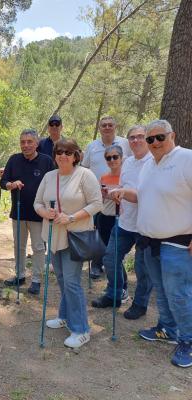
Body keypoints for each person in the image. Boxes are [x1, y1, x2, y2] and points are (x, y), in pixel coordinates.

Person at [112, 119, 192, 368]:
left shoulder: (186, 159)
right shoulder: (149, 165)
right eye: (150, 139)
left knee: (179, 294)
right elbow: (143, 196)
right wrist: (124, 192)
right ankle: (167, 329)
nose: (154, 143)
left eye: (160, 137)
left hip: (177, 243)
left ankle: (188, 341)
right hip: (149, 241)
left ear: (173, 135)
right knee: (162, 291)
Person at [34, 139, 102, 348]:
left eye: (68, 152)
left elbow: (97, 203)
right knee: (62, 279)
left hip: (75, 236)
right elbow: (37, 203)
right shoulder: (49, 176)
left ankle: (81, 329)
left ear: (75, 156)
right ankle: (64, 316)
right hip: (53, 235)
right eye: (59, 152)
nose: (63, 155)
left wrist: (71, 217)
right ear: (54, 155)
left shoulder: (84, 175)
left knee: (72, 283)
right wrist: (46, 212)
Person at [92, 126, 153, 318]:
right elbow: (125, 187)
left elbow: (146, 194)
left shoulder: (153, 161)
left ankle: (140, 304)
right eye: (132, 138)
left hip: (146, 224)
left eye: (140, 137)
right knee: (110, 258)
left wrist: (124, 192)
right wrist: (117, 193)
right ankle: (114, 294)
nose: (136, 141)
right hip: (125, 221)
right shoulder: (127, 163)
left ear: (147, 139)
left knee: (142, 268)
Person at [0, 129, 55, 295]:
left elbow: (53, 183)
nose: (26, 145)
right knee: (19, 246)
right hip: (18, 211)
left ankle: (36, 279)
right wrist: (10, 184)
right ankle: (20, 275)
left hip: (39, 213)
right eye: (23, 142)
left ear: (36, 143)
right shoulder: (14, 160)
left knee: (38, 247)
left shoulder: (46, 161)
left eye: (29, 142)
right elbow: (3, 182)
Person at [82, 116, 132, 279]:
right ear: (100, 127)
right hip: (97, 197)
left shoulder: (125, 143)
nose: (107, 127)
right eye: (104, 125)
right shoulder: (92, 146)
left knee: (116, 241)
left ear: (115, 126)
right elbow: (85, 168)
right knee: (98, 234)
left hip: (122, 202)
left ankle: (115, 269)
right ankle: (97, 265)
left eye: (110, 125)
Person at [91, 144, 129, 303]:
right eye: (108, 158)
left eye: (115, 157)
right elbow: (101, 199)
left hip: (119, 219)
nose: (112, 160)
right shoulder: (104, 177)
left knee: (114, 257)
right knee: (109, 255)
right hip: (104, 217)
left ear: (121, 158)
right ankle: (115, 287)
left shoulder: (126, 177)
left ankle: (122, 289)